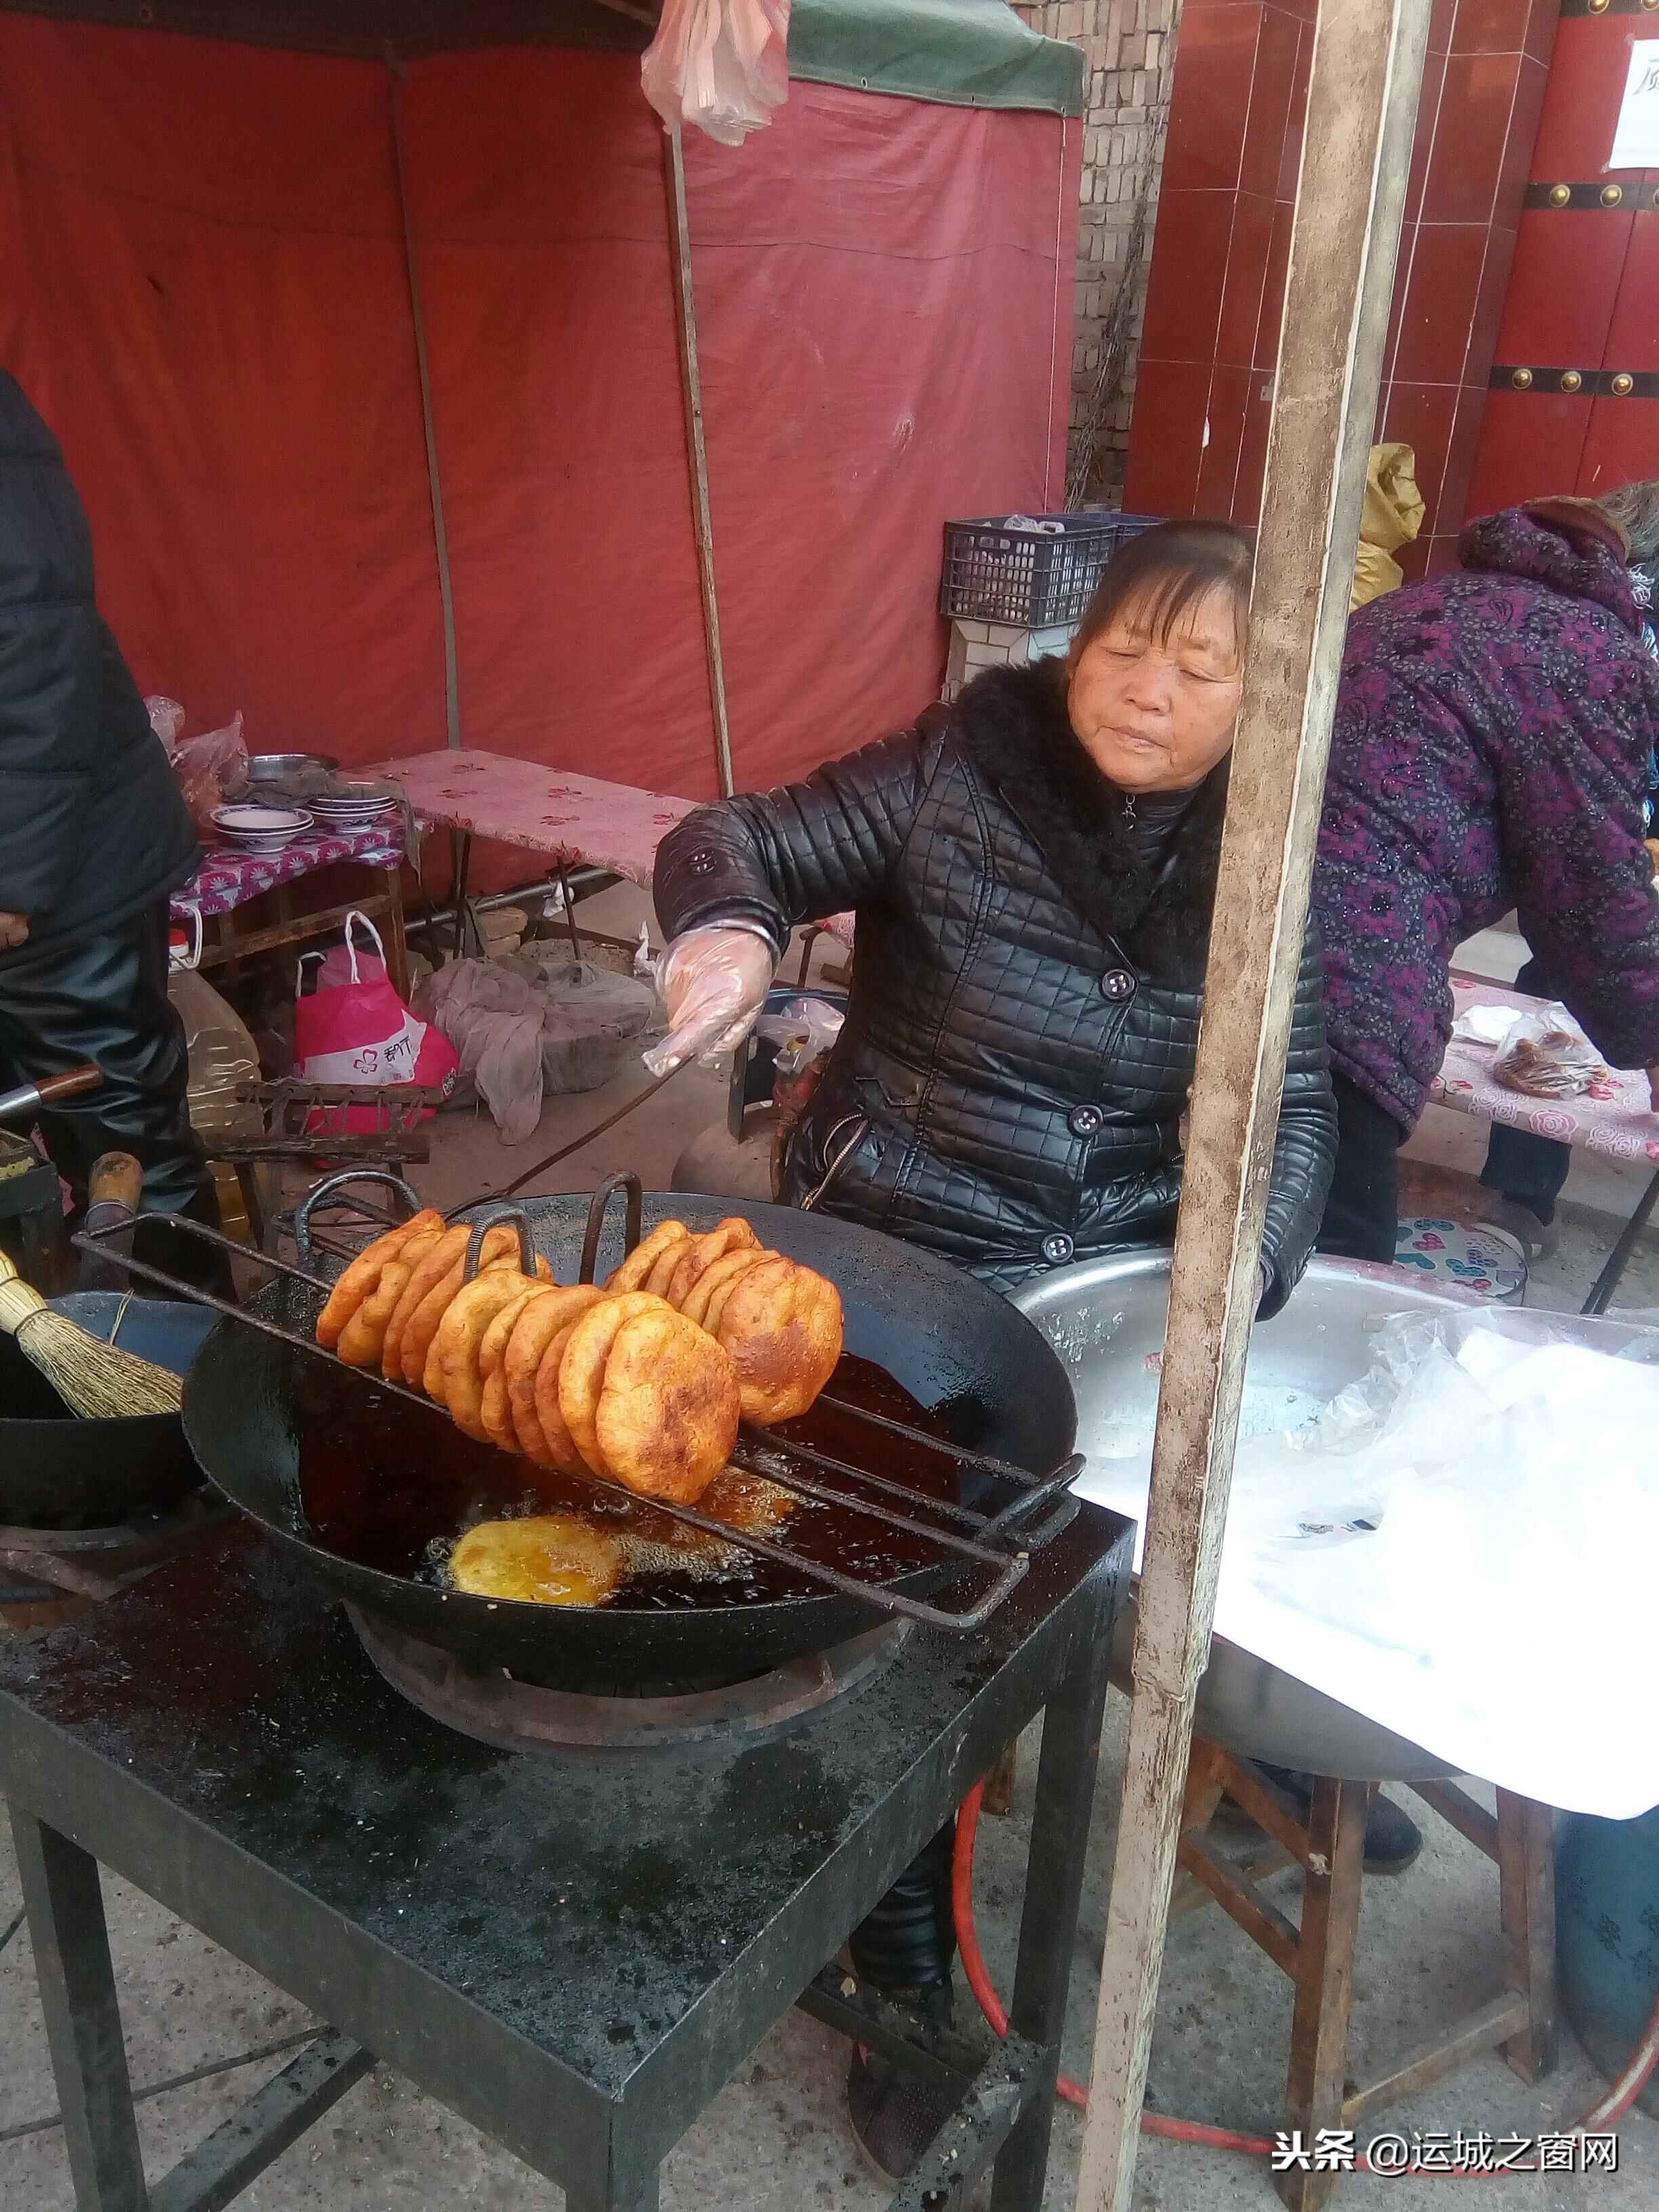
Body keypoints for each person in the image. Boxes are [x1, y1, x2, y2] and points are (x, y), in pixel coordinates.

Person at [651, 520, 1337, 2179]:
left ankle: (971, 1847)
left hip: (1092, 1290)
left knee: (1065, 1595)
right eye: (1122, 648)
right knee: (917, 1606)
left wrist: (1237, 1261)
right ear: (1068, 646)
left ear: (1263, 701)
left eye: (1198, 666)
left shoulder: (1265, 851)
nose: (1148, 691)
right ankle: (896, 1969)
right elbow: (728, 834)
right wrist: (730, 930)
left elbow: (1293, 1103)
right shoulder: (965, 762)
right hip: (892, 1259)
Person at [1314, 485, 1659, 1267]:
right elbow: (1591, 892)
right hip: (1346, 975)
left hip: (1241, 933)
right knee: (1325, 1274)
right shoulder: (1586, 649)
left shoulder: (1444, 600)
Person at [0, 369, 226, 1285]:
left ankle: (192, 1394)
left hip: (59, 870)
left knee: (129, 1151)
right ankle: (54, 1372)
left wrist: (11, 872)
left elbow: (30, 632)